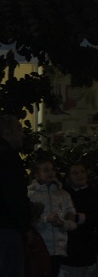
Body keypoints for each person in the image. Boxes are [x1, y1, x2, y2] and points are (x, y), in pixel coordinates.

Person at [28, 158, 77, 277]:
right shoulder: (31, 195)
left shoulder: (63, 194)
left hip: (59, 250)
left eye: (52, 170)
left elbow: (72, 220)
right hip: (38, 249)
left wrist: (63, 223)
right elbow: (28, 222)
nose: (51, 173)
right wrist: (46, 220)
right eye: (46, 170)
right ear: (36, 175)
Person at [0, 115, 32, 277]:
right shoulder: (9, 158)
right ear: (6, 132)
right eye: (19, 129)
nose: (23, 134)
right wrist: (26, 226)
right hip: (7, 228)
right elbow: (15, 196)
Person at [59, 162, 98, 277]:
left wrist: (78, 218)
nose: (80, 175)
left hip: (88, 245)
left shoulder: (94, 194)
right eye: (75, 173)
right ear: (68, 178)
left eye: (82, 172)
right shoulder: (63, 195)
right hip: (68, 247)